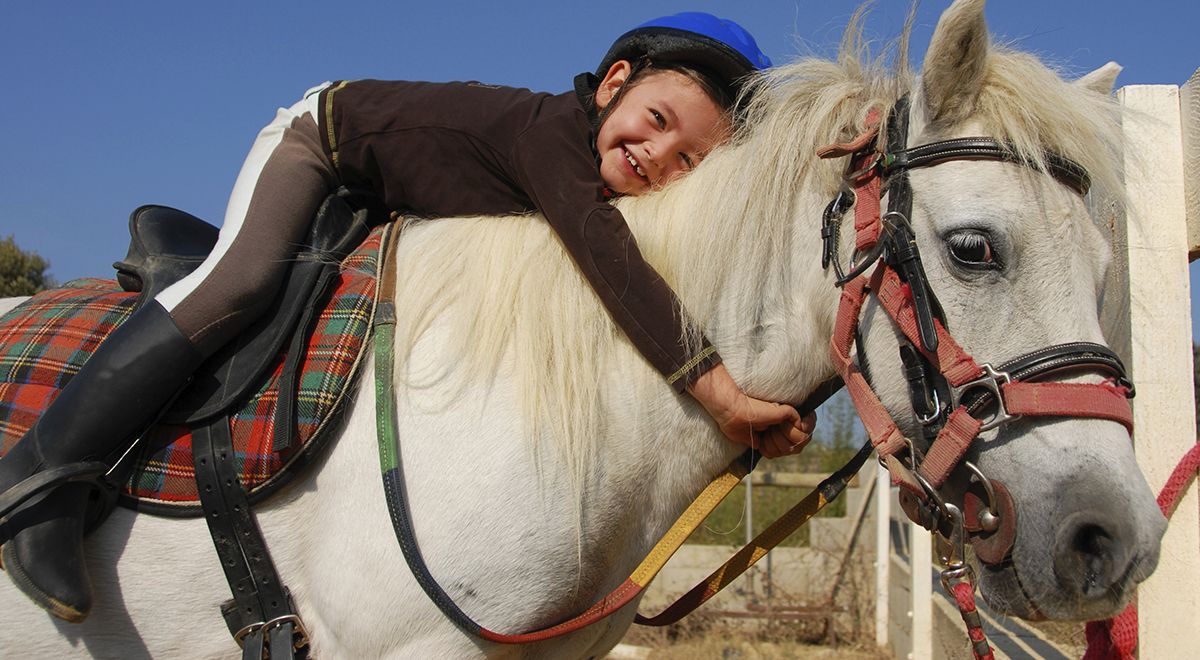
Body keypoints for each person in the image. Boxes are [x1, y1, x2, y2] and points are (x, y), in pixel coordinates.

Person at [0, 11, 815, 621]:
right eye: (659, 121)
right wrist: (721, 394)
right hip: (318, 142)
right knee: (241, 285)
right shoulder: (552, 140)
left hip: (382, 198)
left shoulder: (588, 163)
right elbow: (614, 266)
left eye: (686, 164)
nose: (656, 157)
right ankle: (39, 480)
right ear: (613, 84)